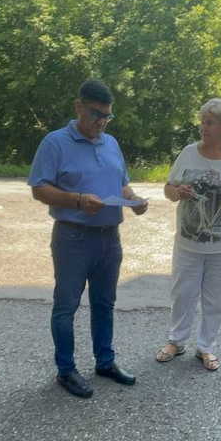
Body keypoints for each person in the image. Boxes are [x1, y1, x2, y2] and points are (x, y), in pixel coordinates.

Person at [28, 79, 149, 398]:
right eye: (96, 114)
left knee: (105, 303)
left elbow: (122, 184)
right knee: (66, 306)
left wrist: (134, 200)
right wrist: (79, 200)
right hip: (73, 237)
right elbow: (39, 188)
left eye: (108, 116)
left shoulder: (111, 143)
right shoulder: (55, 143)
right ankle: (66, 371)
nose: (102, 122)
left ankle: (105, 362)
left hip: (110, 237)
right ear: (78, 107)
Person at [155, 98, 221, 371]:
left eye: (209, 122)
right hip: (188, 243)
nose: (203, 127)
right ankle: (176, 342)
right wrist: (177, 192)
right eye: (202, 121)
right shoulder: (188, 153)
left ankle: (206, 347)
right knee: (182, 294)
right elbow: (168, 189)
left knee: (216, 298)